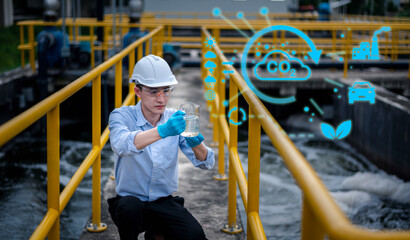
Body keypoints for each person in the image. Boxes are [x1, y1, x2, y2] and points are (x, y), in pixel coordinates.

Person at [107, 54, 215, 240]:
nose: (161, 98)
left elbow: (206, 163)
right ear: (138, 91)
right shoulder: (121, 116)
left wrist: (196, 143)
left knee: (195, 236)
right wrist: (163, 131)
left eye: (166, 90)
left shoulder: (175, 117)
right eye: (153, 91)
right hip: (130, 202)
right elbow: (120, 145)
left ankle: (156, 234)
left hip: (163, 202)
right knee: (129, 209)